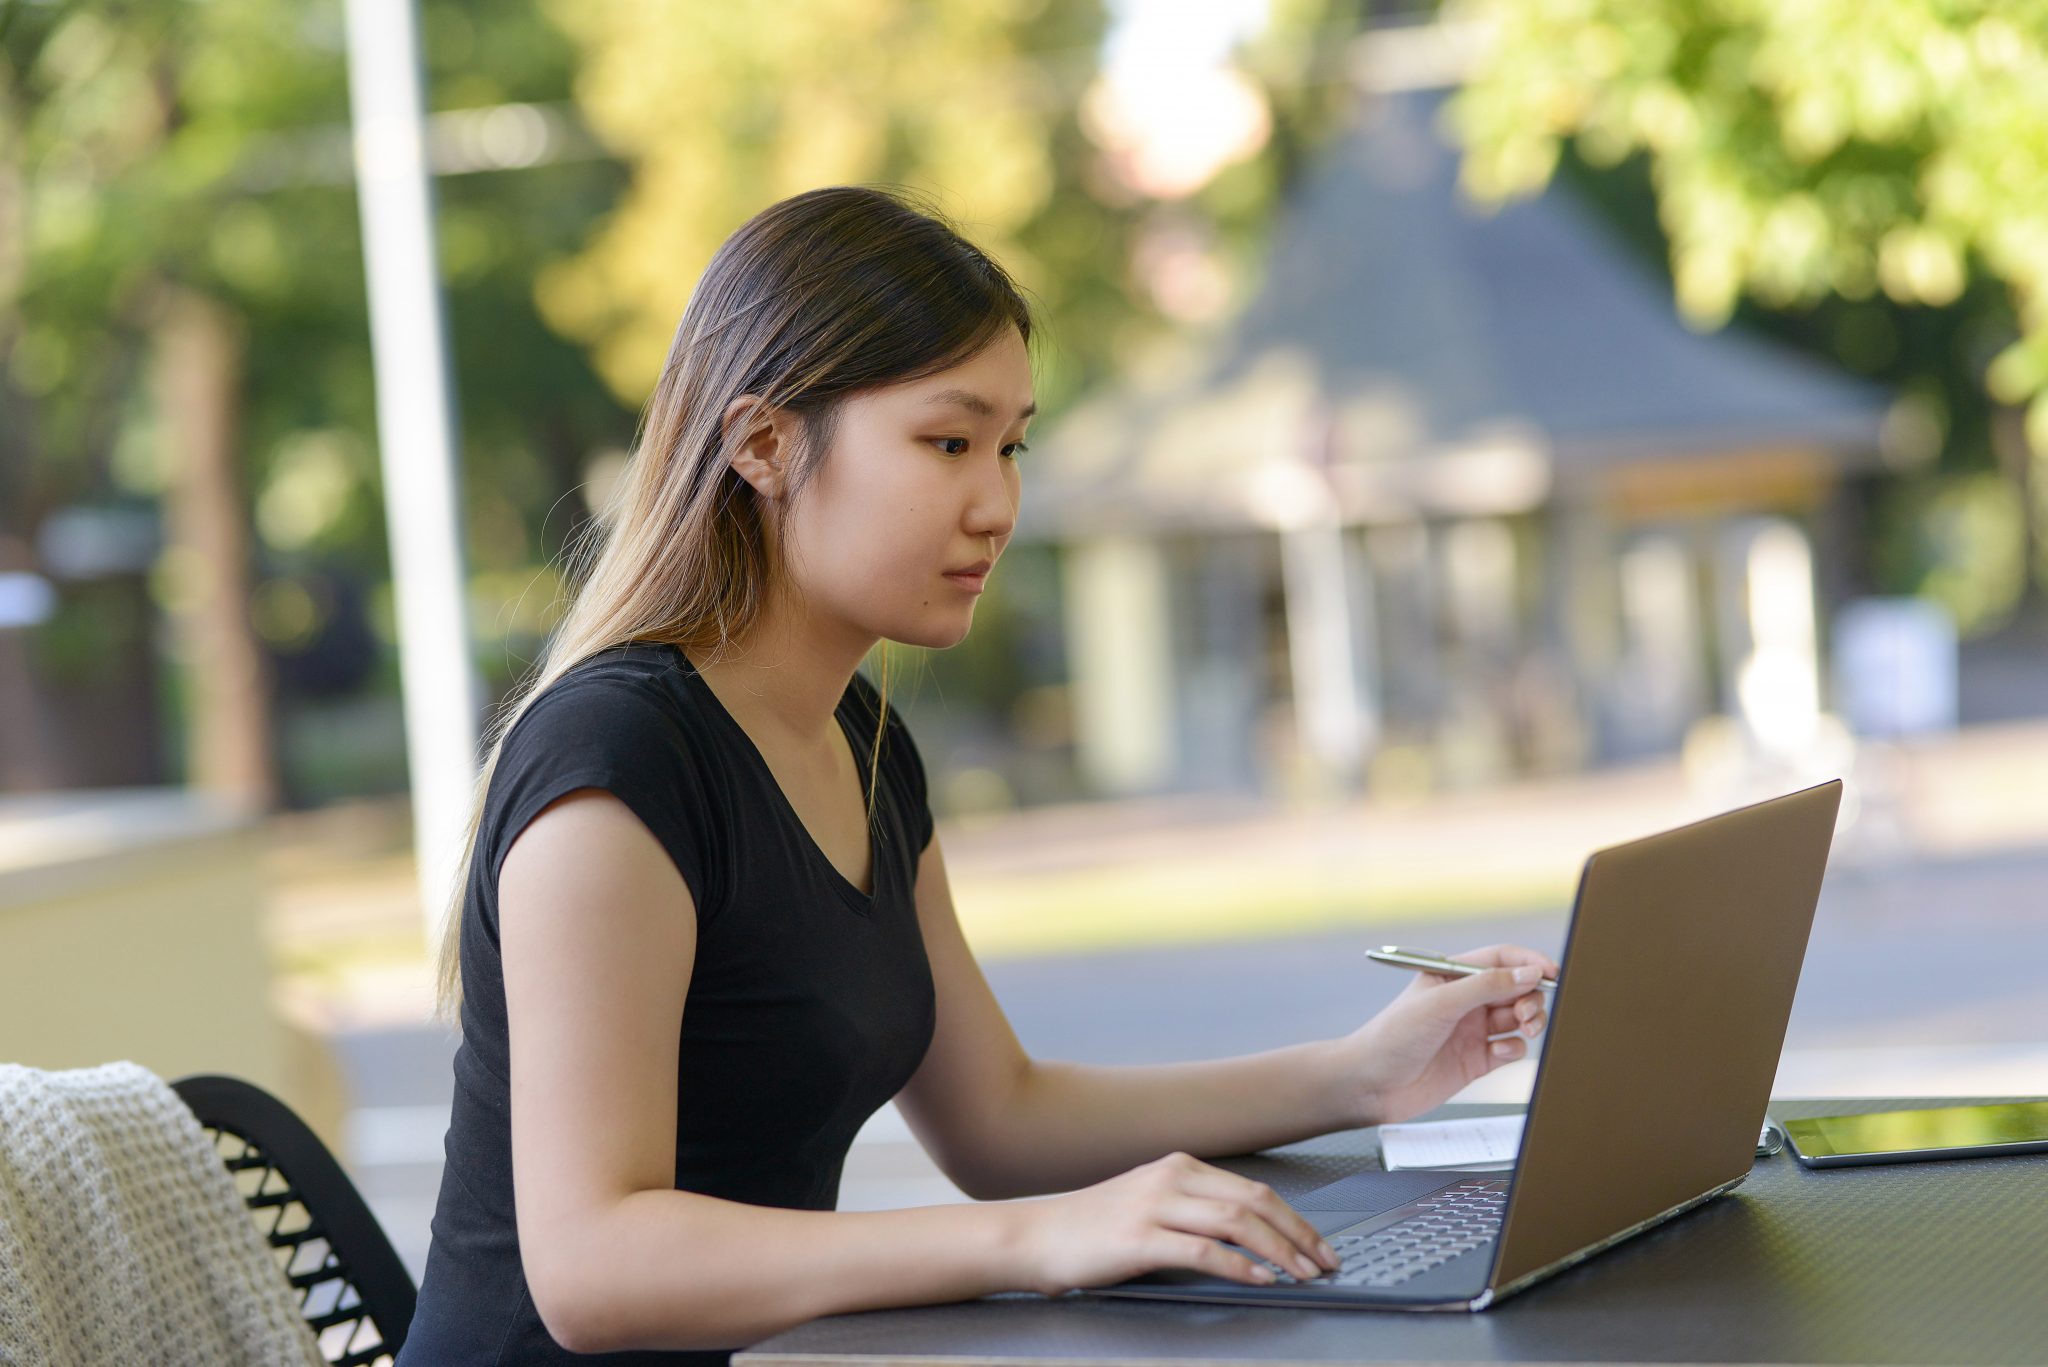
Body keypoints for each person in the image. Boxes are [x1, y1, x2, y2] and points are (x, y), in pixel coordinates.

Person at [395, 185, 1558, 1366]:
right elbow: (595, 1269)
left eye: (1009, 446)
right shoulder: (615, 763)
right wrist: (1034, 1239)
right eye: (947, 442)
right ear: (761, 443)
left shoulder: (859, 737)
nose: (996, 503)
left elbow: (1000, 1115)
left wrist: (1358, 1073)